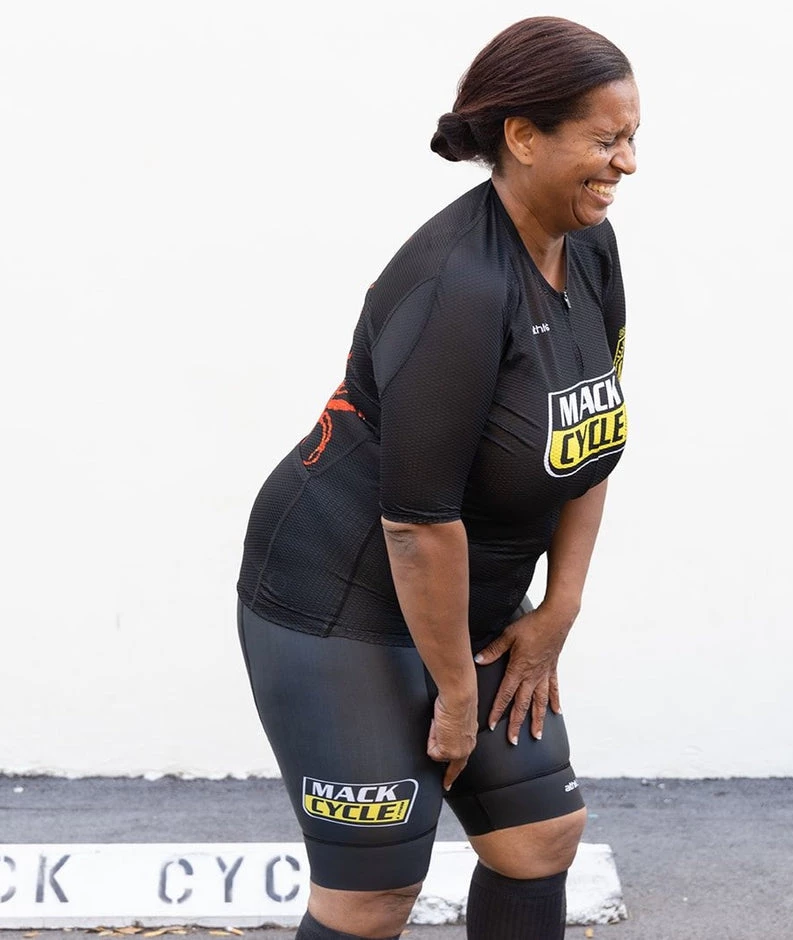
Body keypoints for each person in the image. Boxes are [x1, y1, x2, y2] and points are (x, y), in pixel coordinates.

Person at [237, 16, 638, 940]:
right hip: (344, 600)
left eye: (631, 138)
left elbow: (592, 432)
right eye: (606, 140)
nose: (626, 163)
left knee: (538, 837)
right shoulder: (459, 286)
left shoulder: (590, 247)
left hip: (469, 599)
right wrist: (458, 697)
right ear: (524, 136)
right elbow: (416, 525)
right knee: (373, 897)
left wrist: (558, 610)